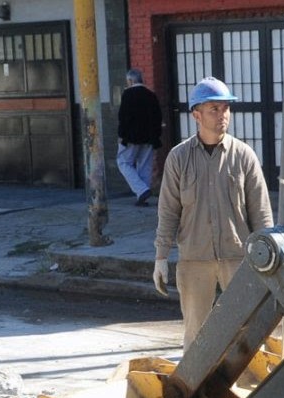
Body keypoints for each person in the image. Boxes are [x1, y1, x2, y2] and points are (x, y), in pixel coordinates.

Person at [153, 76, 274, 347]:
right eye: (214, 109)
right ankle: (196, 389)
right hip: (194, 260)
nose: (223, 115)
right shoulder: (178, 158)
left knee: (246, 335)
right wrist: (161, 257)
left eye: (226, 108)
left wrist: (268, 259)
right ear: (196, 115)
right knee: (197, 338)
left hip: (239, 260)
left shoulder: (244, 156)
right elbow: (169, 211)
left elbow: (261, 213)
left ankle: (248, 388)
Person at [117, 68, 163, 206]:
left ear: (130, 81)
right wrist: (156, 135)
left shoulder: (127, 94)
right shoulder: (151, 95)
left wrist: (121, 135)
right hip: (149, 137)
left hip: (131, 137)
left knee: (123, 162)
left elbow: (123, 117)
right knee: (145, 165)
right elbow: (158, 117)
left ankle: (141, 190)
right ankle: (142, 194)